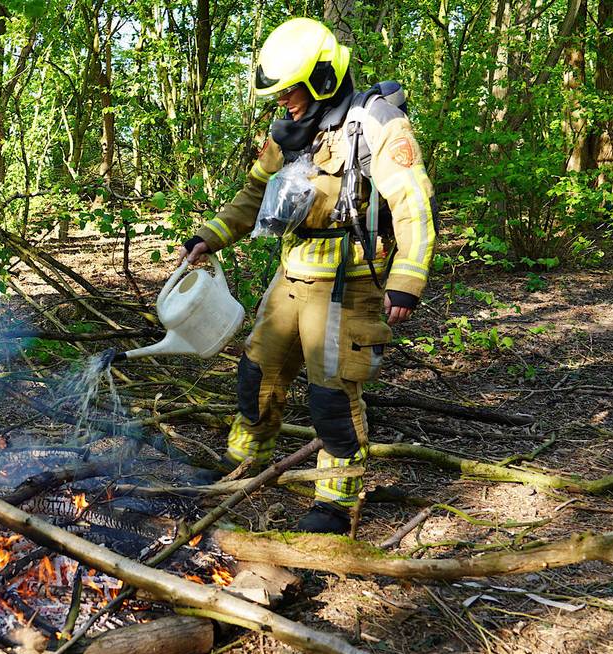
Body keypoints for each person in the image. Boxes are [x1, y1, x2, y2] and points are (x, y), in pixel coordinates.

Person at [180, 18, 437, 533]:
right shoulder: (289, 132)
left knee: (332, 398)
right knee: (257, 374)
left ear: (322, 77)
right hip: (290, 275)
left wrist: (407, 279)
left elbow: (412, 205)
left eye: (290, 92)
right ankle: (244, 467)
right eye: (278, 95)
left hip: (350, 283)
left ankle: (335, 505)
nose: (284, 104)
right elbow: (255, 197)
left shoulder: (376, 124)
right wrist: (209, 236)